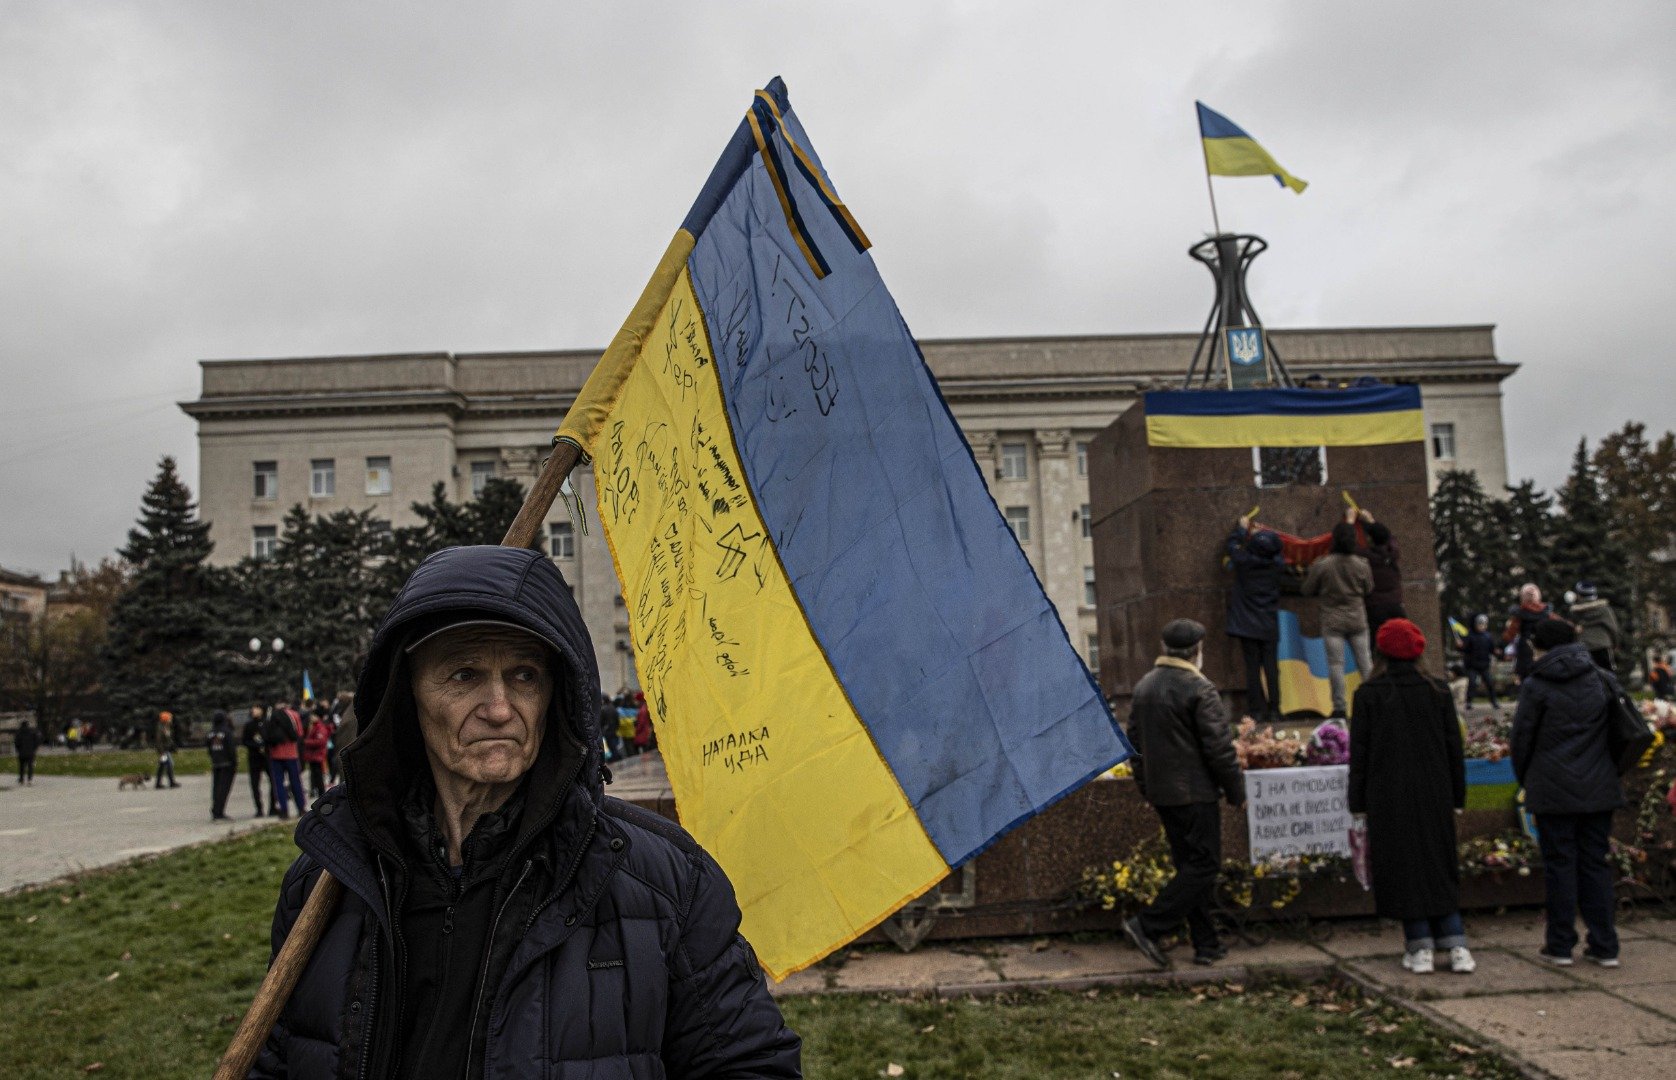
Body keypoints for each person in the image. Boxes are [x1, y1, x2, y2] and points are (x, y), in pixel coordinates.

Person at [249, 545, 800, 1078]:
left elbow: (750, 1065)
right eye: (464, 675)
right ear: (405, 694)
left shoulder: (665, 882)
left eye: (524, 676)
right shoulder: (327, 883)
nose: (499, 708)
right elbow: (281, 1060)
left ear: (555, 695)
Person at [1348, 618, 1473, 974]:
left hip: (1388, 795)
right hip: (1435, 791)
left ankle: (1419, 947)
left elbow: (1361, 754)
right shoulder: (1438, 691)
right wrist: (1458, 796)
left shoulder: (1368, 695)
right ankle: (1456, 942)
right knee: (1438, 861)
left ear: (1380, 652)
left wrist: (1357, 804)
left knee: (1403, 866)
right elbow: (1454, 748)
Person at [1121, 619, 1244, 969]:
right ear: (1196, 651)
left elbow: (1133, 744)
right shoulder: (1199, 688)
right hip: (1196, 793)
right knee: (1204, 867)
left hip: (1163, 793)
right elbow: (1219, 748)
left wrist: (1147, 787)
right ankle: (1147, 926)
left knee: (1190, 868)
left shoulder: (1145, 686)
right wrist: (1236, 790)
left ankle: (1207, 943)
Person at [1511, 619, 1627, 967]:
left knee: (1560, 866)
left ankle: (1560, 944)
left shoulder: (1536, 685)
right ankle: (1605, 944)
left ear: (1541, 646)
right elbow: (1622, 732)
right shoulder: (1601, 678)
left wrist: (1528, 779)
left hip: (1552, 789)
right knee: (1595, 864)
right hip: (1598, 787)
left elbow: (1521, 740)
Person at [1302, 520, 1375, 718]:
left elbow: (1307, 589)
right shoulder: (1362, 564)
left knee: (1336, 665)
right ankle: (1374, 702)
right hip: (1358, 619)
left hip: (1332, 621)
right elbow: (1369, 588)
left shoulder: (1322, 565)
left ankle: (1340, 707)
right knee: (1365, 663)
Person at [1224, 516, 1286, 722]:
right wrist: (1262, 537)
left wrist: (1242, 530)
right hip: (1269, 623)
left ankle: (1256, 710)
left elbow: (1232, 546)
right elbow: (1276, 551)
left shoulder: (1244, 562)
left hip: (1247, 624)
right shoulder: (1276, 565)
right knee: (1271, 668)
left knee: (1252, 668)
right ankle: (1275, 709)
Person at [1356, 510, 1405, 635]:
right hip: (1396, 606)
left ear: (1370, 539)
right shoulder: (1393, 553)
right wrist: (1371, 520)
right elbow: (1390, 538)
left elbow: (1348, 544)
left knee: (1378, 643)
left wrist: (1350, 521)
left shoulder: (1366, 557)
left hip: (1375, 608)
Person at [264, 700, 306, 819]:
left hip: (275, 754)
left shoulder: (271, 715)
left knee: (279, 784)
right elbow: (299, 733)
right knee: (296, 782)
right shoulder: (294, 715)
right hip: (291, 753)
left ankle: (283, 810)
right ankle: (301, 807)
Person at [1503, 584, 1552, 683]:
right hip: (1543, 646)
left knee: (1525, 675)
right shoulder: (1546, 612)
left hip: (1526, 647)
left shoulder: (1519, 614)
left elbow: (1509, 634)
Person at [1567, 583, 1620, 672]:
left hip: (1582, 647)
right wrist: (1615, 644)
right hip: (1602, 645)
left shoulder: (1574, 612)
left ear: (1579, 595)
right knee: (1607, 676)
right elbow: (1613, 629)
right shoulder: (1604, 610)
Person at [1461, 614, 1500, 711]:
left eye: (1484, 624)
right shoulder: (1470, 635)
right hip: (1472, 665)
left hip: (1484, 665)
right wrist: (1459, 646)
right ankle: (1469, 702)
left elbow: (1492, 649)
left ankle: (1494, 701)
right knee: (1472, 683)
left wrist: (1497, 652)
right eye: (1480, 624)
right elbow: (1465, 649)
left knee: (1490, 683)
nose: (1482, 626)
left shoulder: (1487, 636)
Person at [242, 705, 274, 817]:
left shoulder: (267, 723)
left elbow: (271, 738)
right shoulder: (249, 725)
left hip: (266, 757)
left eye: (257, 708)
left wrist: (265, 744)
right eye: (253, 708)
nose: (254, 711)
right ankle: (259, 808)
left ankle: (273, 807)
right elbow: (245, 741)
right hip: (254, 757)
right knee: (255, 784)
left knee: (273, 782)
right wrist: (255, 745)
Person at [207, 710, 238, 820]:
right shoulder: (227, 732)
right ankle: (219, 812)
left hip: (216, 763)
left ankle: (215, 809)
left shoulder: (211, 733)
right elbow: (231, 749)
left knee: (216, 788)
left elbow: (209, 748)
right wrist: (234, 762)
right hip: (227, 764)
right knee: (224, 789)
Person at [302, 706, 332, 801]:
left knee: (318, 777)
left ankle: (321, 793)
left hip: (317, 755)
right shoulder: (314, 726)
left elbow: (320, 741)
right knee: (315, 776)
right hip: (313, 755)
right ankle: (318, 792)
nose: (311, 717)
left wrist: (306, 742)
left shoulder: (320, 727)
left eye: (313, 715)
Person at [154, 711, 180, 789]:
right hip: (163, 751)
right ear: (165, 719)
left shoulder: (166, 727)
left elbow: (168, 739)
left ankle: (158, 783)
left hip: (166, 750)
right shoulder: (161, 728)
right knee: (169, 765)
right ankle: (171, 782)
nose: (170, 719)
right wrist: (162, 752)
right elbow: (159, 741)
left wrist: (173, 747)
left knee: (162, 766)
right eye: (169, 718)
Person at [14, 719, 40, 785]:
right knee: (30, 766)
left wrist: (18, 749)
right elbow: (37, 741)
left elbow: (16, 743)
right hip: (30, 752)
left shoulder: (19, 733)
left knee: (21, 766)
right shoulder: (32, 732)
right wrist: (34, 748)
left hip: (22, 752)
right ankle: (29, 779)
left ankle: (21, 779)